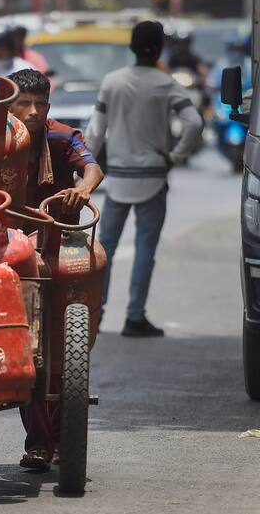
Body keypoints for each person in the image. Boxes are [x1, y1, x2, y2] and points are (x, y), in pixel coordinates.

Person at [3, 68, 104, 470]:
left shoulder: (62, 136)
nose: (32, 112)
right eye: (23, 104)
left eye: (40, 104)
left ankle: (54, 441)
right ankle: (40, 443)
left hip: (52, 246)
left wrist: (84, 189)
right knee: (24, 341)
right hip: (3, 248)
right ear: (6, 105)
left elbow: (92, 167)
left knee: (57, 348)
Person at [85, 21, 203, 338]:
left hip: (119, 179)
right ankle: (135, 316)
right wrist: (176, 156)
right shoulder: (166, 84)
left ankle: (97, 314)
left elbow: (95, 132)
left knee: (104, 248)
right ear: (160, 48)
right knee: (144, 249)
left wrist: (84, 166)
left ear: (131, 47)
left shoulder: (112, 81)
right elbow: (194, 123)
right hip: (153, 176)